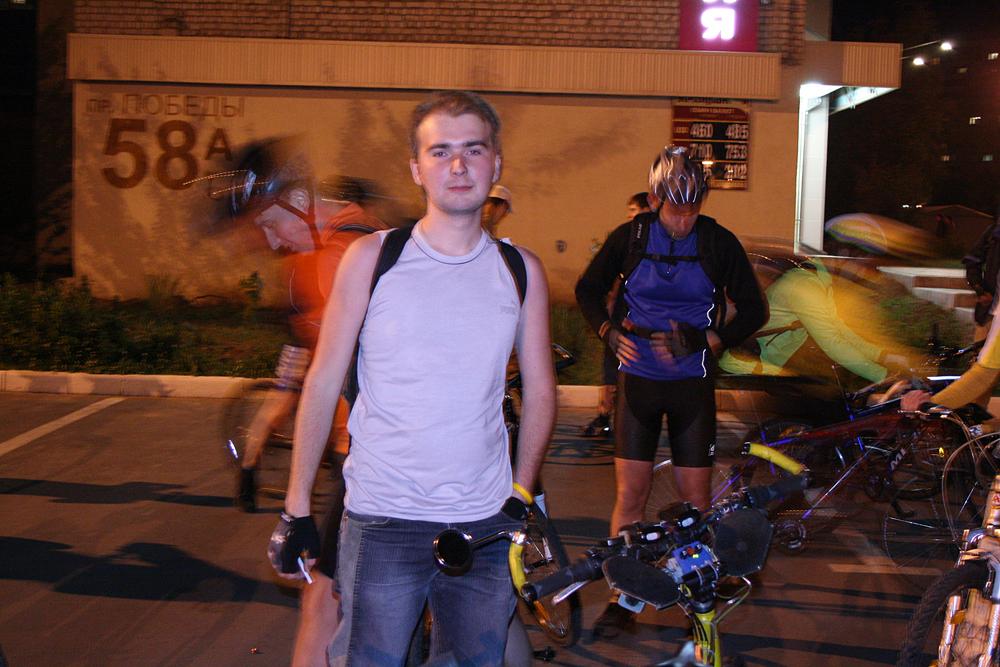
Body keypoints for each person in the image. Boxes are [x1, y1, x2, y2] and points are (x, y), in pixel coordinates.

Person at [268, 90, 556, 665]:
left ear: (496, 163)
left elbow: (543, 390)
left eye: (473, 150)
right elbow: (322, 381)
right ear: (417, 169)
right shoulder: (373, 258)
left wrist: (521, 493)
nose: (458, 165)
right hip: (383, 521)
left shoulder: (520, 270)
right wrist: (296, 507)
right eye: (440, 151)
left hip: (484, 523)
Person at [575, 146, 765, 637]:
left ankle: (696, 602)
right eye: (676, 209)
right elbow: (587, 289)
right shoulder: (632, 236)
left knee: (694, 503)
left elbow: (754, 309)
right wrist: (607, 332)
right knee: (631, 496)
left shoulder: (717, 241)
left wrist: (709, 340)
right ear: (657, 198)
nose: (683, 220)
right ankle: (623, 601)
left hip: (691, 385)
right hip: (638, 380)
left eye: (692, 209)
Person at [226, 147, 389, 667]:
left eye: (269, 223)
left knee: (321, 598)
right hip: (367, 451)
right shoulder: (345, 241)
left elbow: (324, 379)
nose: (270, 241)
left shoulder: (342, 255)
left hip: (373, 456)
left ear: (299, 199)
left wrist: (294, 506)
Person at [581, 192, 651, 439]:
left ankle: (615, 419)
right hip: (619, 321)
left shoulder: (645, 240)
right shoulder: (625, 238)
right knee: (612, 368)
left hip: (633, 324)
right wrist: (605, 321)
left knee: (621, 371)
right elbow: (594, 286)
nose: (630, 215)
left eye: (633, 210)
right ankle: (605, 416)